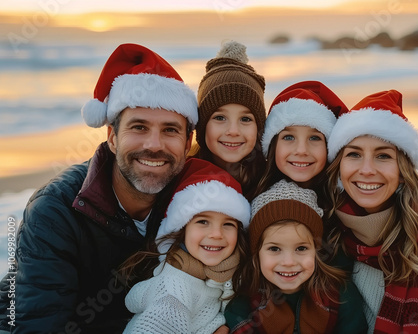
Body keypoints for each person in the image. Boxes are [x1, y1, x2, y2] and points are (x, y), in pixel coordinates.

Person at [0, 43, 198, 333]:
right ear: (112, 137)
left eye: (170, 129)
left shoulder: (198, 201)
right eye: (139, 127)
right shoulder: (55, 211)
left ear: (187, 141)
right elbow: (39, 326)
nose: (154, 145)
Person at [325, 90, 418, 333]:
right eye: (354, 154)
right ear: (339, 168)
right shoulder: (327, 234)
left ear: (402, 173)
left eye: (383, 156)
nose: (367, 169)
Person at [120, 158, 250, 334]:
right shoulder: (175, 290)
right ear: (183, 229)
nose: (216, 234)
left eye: (228, 224)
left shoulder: (220, 275)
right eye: (203, 221)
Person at [225, 179, 368, 333]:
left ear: (316, 250)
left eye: (301, 248)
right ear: (257, 253)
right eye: (274, 249)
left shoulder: (341, 295)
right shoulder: (244, 302)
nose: (289, 262)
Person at [255, 80, 348, 211]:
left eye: (314, 138)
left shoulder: (347, 206)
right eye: (288, 137)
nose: (301, 150)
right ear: (273, 146)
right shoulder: (252, 198)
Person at [191, 40, 266, 200]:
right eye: (220, 117)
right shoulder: (183, 179)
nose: (233, 131)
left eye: (245, 119)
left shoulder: (270, 180)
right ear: (202, 126)